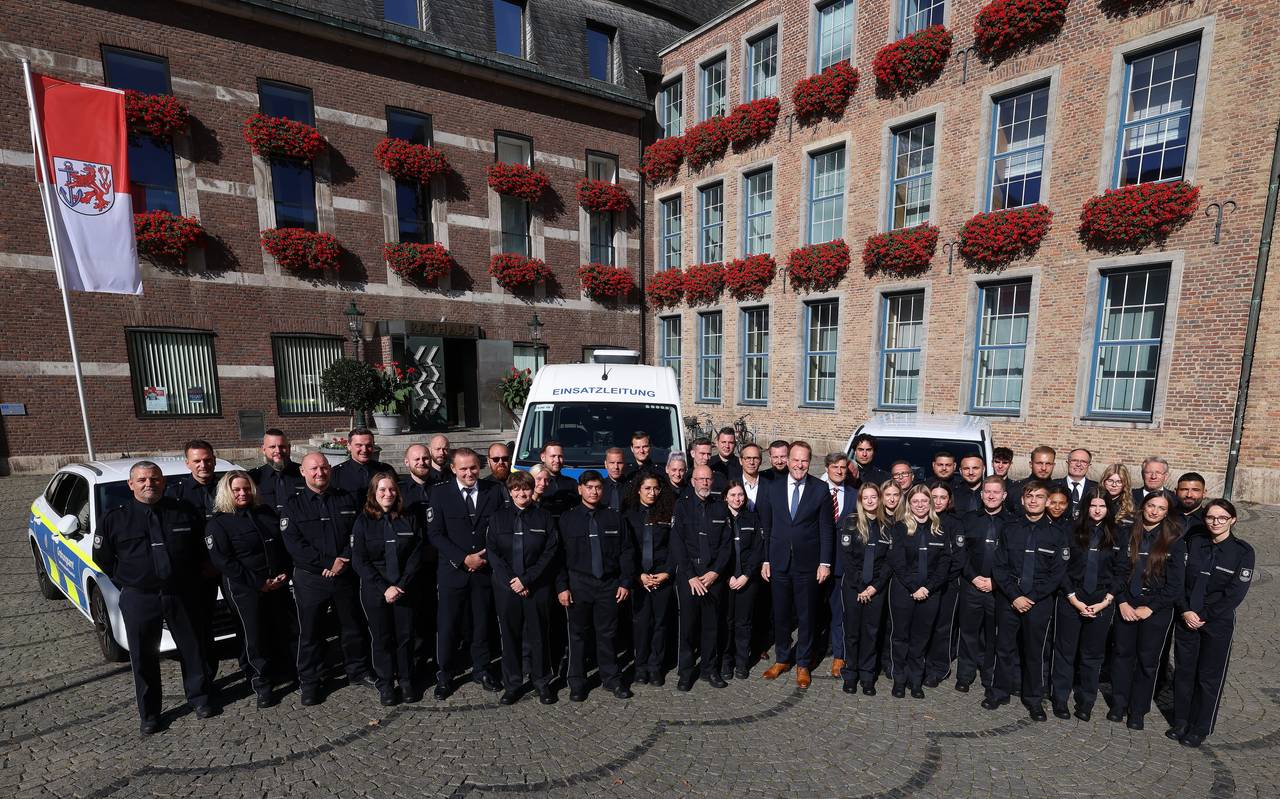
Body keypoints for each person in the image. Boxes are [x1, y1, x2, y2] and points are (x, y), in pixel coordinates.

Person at [94, 461, 216, 734]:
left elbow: (201, 547)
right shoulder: (115, 518)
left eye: (155, 479)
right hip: (140, 597)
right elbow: (102, 558)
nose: (149, 484)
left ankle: (200, 698)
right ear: (131, 484)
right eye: (142, 480)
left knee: (193, 649)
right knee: (143, 656)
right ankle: (150, 713)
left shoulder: (183, 512)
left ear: (163, 482)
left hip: (182, 592)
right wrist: (130, 580)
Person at [281, 453, 374, 705]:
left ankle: (358, 671)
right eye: (314, 469)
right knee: (310, 632)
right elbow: (294, 543)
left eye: (324, 467)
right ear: (303, 472)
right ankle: (311, 681)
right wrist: (326, 563)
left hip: (344, 574)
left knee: (352, 627)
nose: (319, 472)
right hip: (311, 578)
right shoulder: (293, 505)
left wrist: (342, 559)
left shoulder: (346, 498)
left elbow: (358, 532)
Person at [206, 471, 294, 709]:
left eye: (246, 488)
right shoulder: (218, 523)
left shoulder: (265, 513)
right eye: (237, 490)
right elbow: (224, 562)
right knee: (252, 636)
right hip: (245, 588)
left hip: (276, 584)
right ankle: (260, 682)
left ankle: (283, 671)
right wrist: (259, 583)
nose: (243, 493)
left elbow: (281, 545)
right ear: (227, 492)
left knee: (279, 629)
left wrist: (285, 571)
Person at [1170, 499, 1254, 747]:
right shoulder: (1194, 542)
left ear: (1233, 520)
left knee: (1209, 676)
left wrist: (1204, 614)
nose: (1215, 522)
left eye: (1222, 518)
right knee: (1184, 672)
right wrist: (1185, 611)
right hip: (1187, 617)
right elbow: (1179, 580)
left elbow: (1235, 593)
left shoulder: (1242, 551)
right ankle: (1181, 720)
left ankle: (1200, 726)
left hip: (1216, 622)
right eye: (1210, 518)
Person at [986, 481, 1068, 720]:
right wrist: (1015, 595)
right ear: (1022, 501)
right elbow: (999, 566)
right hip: (1010, 597)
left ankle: (1033, 698)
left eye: (1039, 497)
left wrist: (1030, 597)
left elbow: (1057, 574)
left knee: (1035, 652)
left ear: (1047, 501)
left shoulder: (1057, 533)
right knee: (1004, 647)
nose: (1034, 501)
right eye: (1029, 497)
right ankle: (999, 691)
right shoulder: (1009, 529)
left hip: (1038, 602)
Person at [427, 447, 503, 698]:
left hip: (483, 570)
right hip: (453, 571)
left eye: (473, 467)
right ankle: (445, 674)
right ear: (453, 469)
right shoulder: (440, 494)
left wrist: (483, 558)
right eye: (463, 468)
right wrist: (462, 559)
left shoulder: (493, 491)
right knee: (448, 625)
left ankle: (481, 669)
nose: (469, 473)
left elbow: (500, 531)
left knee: (482, 623)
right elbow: (435, 533)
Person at [1108, 492, 1187, 730]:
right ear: (1143, 507)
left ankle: (1138, 709)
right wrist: (1121, 601)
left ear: (1166, 513)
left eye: (1161, 508)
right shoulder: (1127, 533)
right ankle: (1118, 703)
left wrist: (1150, 608)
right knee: (1122, 656)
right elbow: (1118, 570)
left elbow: (1175, 584)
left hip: (1155, 608)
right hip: (1128, 602)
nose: (1154, 511)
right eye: (1151, 506)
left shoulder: (1174, 539)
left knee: (1147, 661)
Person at [758, 441, 833, 689]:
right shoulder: (773, 488)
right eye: (796, 460)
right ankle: (782, 659)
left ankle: (803, 663)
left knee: (806, 616)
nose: (800, 465)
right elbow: (767, 527)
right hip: (779, 562)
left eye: (804, 461)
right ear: (787, 461)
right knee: (780, 615)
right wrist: (766, 559)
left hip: (808, 565)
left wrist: (824, 562)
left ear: (809, 462)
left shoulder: (820, 489)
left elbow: (826, 528)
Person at [557, 470, 634, 701]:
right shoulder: (567, 519)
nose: (594, 491)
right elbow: (559, 556)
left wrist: (625, 582)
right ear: (580, 489)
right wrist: (562, 586)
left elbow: (627, 552)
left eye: (598, 487)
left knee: (608, 634)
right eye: (589, 487)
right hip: (578, 583)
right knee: (578, 635)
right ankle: (577, 682)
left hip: (608, 584)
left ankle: (611, 678)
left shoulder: (614, 518)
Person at [486, 470, 560, 705]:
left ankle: (541, 682)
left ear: (533, 489)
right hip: (507, 588)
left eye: (526, 488)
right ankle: (513, 683)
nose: (522, 493)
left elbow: (550, 552)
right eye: (516, 489)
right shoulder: (497, 518)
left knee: (539, 635)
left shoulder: (544, 518)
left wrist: (527, 579)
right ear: (510, 492)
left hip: (537, 586)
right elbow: (494, 553)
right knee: (510, 636)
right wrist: (513, 581)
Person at [351, 473, 425, 706]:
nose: (387, 494)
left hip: (405, 587)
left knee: (405, 637)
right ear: (373, 494)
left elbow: (417, 553)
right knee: (381, 638)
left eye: (392, 489)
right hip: (376, 589)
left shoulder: (408, 517)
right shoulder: (363, 521)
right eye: (382, 490)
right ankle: (385, 684)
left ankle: (405, 680)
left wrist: (401, 585)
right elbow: (360, 560)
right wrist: (385, 587)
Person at [1051, 490, 1122, 721]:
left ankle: (1086, 701)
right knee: (1065, 652)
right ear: (1085, 507)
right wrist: (1073, 598)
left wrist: (1106, 601)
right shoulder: (1070, 530)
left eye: (1102, 506)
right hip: (1072, 595)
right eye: (1093, 505)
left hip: (1102, 599)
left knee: (1092, 655)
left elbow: (1122, 571)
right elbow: (1061, 567)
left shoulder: (1118, 534)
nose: (1098, 510)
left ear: (1108, 509)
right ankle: (1060, 698)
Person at [164, 439, 223, 677]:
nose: (203, 465)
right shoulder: (175, 495)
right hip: (197, 573)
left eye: (207, 460)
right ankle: (205, 679)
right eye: (197, 461)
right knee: (200, 630)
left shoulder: (228, 487)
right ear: (188, 463)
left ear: (214, 460)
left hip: (228, 567)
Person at [887, 484, 952, 699]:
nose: (920, 505)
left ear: (930, 503)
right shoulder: (899, 527)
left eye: (924, 501)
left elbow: (944, 563)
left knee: (921, 638)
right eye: (915, 501)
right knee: (900, 637)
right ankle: (899, 679)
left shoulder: (940, 528)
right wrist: (914, 587)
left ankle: (916, 680)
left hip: (930, 592)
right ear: (909, 504)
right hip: (904, 591)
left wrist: (927, 588)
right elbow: (897, 561)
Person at [671, 466, 732, 691]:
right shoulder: (682, 506)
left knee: (711, 626)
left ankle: (709, 669)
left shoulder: (720, 508)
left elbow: (726, 546)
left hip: (712, 576)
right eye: (701, 479)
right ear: (693, 481)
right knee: (688, 627)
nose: (705, 483)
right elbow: (677, 544)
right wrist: (690, 576)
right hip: (690, 576)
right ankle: (686, 672)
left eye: (708, 479)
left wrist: (715, 572)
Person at [956, 476, 1012, 696]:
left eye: (996, 492)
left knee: (993, 635)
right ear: (981, 495)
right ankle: (965, 675)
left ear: (1004, 495)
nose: (991, 496)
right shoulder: (968, 520)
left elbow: (1013, 560)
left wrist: (995, 582)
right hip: (972, 585)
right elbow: (961, 553)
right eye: (987, 492)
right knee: (968, 632)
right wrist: (974, 577)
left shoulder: (1012, 523)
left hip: (998, 589)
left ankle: (989, 675)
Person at [838, 482, 892, 695]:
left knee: (871, 632)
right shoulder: (850, 523)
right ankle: (850, 674)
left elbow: (889, 561)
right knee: (852, 633)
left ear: (879, 500)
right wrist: (861, 586)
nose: (870, 501)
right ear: (860, 501)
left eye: (874, 497)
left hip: (876, 588)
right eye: (865, 498)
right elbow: (847, 558)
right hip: (853, 587)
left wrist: (873, 588)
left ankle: (867, 676)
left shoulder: (887, 525)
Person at [624, 474, 675, 687]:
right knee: (642, 624)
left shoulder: (667, 512)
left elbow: (675, 546)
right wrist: (638, 575)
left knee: (660, 624)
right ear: (638, 490)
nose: (652, 493)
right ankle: (640, 666)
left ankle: (656, 667)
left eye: (655, 488)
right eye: (647, 488)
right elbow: (626, 549)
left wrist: (667, 572)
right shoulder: (628, 515)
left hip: (661, 576)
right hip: (639, 578)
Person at [721, 481, 764, 681]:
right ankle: (726, 662)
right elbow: (718, 551)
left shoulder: (753, 518)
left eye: (740, 495)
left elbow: (758, 550)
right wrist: (729, 575)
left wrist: (746, 575)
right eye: (733, 495)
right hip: (726, 580)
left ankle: (741, 662)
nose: (737, 499)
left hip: (748, 579)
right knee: (727, 623)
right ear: (725, 497)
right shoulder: (720, 519)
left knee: (744, 623)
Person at [923, 482, 964, 687]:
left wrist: (939, 580)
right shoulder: (921, 519)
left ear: (949, 500)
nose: (938, 501)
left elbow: (958, 558)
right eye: (934, 497)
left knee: (943, 626)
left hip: (947, 584)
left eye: (942, 497)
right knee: (923, 625)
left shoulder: (954, 523)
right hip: (923, 584)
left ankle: (938, 668)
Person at [822, 452, 858, 677]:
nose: (839, 471)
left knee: (839, 612)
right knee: (813, 611)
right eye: (835, 467)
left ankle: (839, 655)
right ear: (827, 468)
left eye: (843, 467)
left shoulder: (854, 496)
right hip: (816, 564)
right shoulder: (815, 490)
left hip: (842, 565)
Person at [250, 429, 305, 515]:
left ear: (289, 448)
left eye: (282, 446)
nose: (278, 451)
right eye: (272, 447)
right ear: (263, 450)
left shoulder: (304, 473)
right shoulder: (254, 478)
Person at [331, 428, 398, 496]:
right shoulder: (337, 473)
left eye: (369, 446)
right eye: (359, 445)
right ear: (349, 446)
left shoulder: (386, 470)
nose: (364, 450)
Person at [1007, 446, 1056, 514]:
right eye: (1039, 463)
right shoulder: (1015, 489)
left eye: (1048, 464)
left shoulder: (1060, 491)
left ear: (1053, 465)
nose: (1044, 468)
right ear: (1031, 464)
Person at [538, 441, 581, 518]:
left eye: (560, 456)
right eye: (553, 456)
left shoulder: (572, 483)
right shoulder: (535, 484)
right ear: (543, 457)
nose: (557, 460)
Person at [1060, 448, 1096, 520]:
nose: (1078, 464)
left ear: (1089, 465)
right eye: (1074, 460)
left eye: (1083, 461)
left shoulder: (1096, 488)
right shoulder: (1055, 485)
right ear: (1068, 462)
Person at [601, 447, 629, 512]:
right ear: (605, 464)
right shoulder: (598, 487)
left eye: (619, 463)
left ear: (624, 464)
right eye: (612, 463)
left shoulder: (632, 487)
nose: (616, 467)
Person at [738, 443, 765, 510]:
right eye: (748, 458)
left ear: (760, 461)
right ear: (740, 461)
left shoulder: (770, 487)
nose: (751, 462)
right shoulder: (732, 485)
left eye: (755, 458)